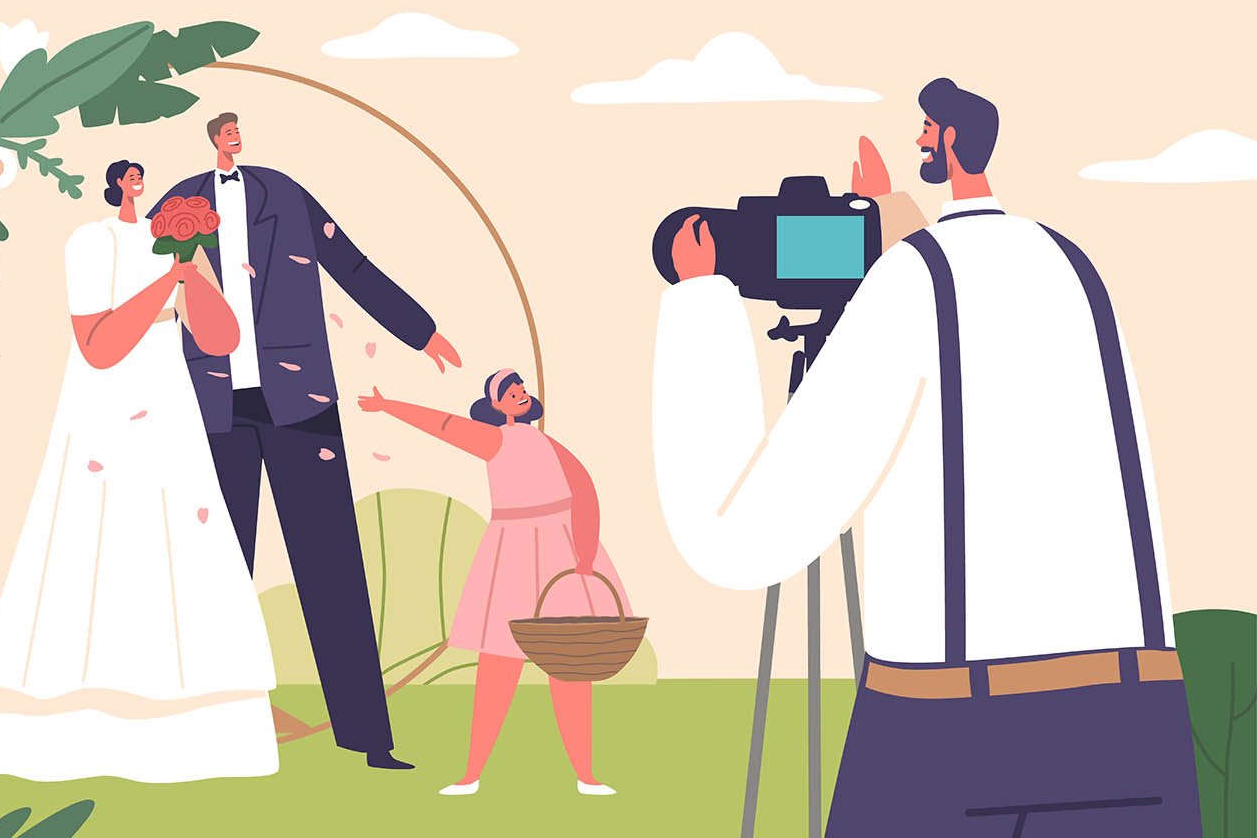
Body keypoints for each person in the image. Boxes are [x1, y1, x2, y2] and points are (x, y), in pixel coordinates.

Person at [652, 78, 1201, 835]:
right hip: (1133, 722)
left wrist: (700, 301)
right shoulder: (1073, 266)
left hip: (957, 732)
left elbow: (736, 537)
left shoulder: (908, 285)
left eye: (923, 131)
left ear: (945, 141)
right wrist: (893, 230)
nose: (916, 142)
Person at [146, 113, 463, 771]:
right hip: (210, 408)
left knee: (332, 570)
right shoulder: (177, 201)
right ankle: (198, 731)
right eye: (227, 130)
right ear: (213, 139)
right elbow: (142, 287)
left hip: (301, 402)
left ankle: (369, 739)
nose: (237, 138)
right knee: (212, 576)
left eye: (240, 130)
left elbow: (349, 261)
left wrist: (419, 330)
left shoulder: (284, 194)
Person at [0, 159, 280, 784]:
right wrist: (169, 280)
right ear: (115, 184)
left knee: (180, 540)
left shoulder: (179, 246)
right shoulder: (90, 241)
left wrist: (194, 274)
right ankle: (73, 721)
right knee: (93, 535)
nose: (143, 182)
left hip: (169, 403)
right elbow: (100, 347)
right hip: (102, 409)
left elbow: (220, 340)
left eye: (145, 174)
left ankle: (201, 724)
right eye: (133, 175)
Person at [357, 370, 627, 797]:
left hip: (561, 549)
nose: (519, 395)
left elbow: (584, 490)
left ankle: (586, 774)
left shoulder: (547, 443)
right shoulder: (496, 439)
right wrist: (390, 406)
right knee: (498, 667)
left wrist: (587, 553)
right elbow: (446, 427)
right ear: (495, 405)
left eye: (521, 390)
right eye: (509, 392)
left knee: (570, 665)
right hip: (514, 550)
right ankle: (471, 773)